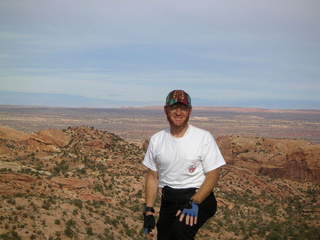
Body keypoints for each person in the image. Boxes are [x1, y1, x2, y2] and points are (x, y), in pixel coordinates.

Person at [142, 89, 226, 240]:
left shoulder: (203, 138)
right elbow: (152, 176)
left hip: (199, 197)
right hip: (169, 199)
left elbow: (214, 174)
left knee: (180, 233)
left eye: (183, 108)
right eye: (174, 107)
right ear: (166, 110)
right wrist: (148, 210)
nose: (178, 112)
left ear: (190, 111)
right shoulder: (157, 140)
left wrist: (195, 202)